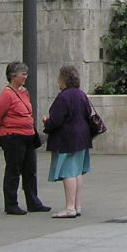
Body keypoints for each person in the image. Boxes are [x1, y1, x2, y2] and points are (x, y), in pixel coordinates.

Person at [0, 62, 50, 215]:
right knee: (13, 170)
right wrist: (3, 131)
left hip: (28, 135)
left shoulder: (24, 92)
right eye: (23, 74)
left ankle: (33, 201)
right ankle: (11, 204)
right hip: (13, 137)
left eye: (26, 73)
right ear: (13, 75)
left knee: (30, 170)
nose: (25, 77)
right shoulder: (7, 94)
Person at [43, 64, 94, 218]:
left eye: (59, 78)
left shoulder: (64, 96)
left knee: (68, 172)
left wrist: (47, 122)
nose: (58, 82)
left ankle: (69, 207)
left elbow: (57, 120)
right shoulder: (81, 94)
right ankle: (77, 205)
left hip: (67, 139)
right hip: (82, 137)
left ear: (64, 79)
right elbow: (88, 113)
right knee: (77, 172)